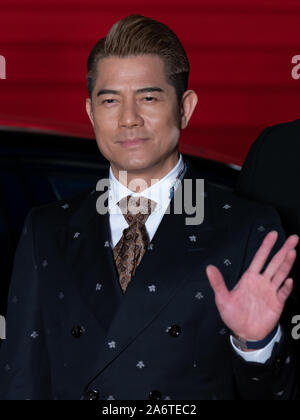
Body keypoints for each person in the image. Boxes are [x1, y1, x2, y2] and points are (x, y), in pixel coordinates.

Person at [0, 14, 298, 401]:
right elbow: (21, 380)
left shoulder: (245, 227)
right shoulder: (46, 230)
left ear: (186, 108)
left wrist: (255, 345)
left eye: (149, 97)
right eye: (110, 100)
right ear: (91, 114)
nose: (128, 119)